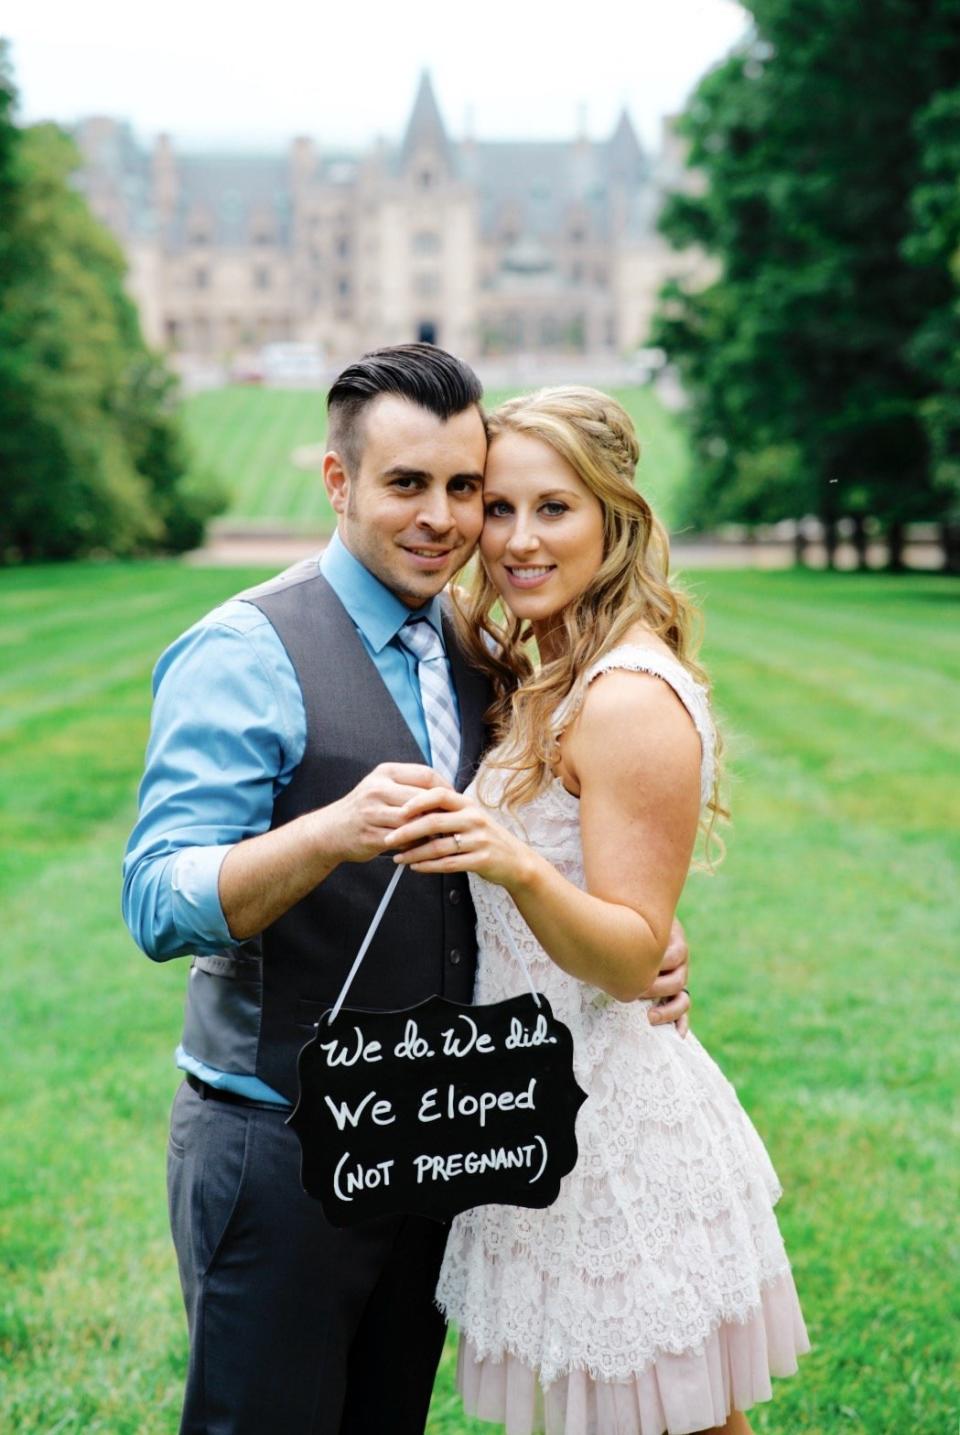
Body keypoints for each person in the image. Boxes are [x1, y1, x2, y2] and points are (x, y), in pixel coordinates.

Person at [121, 345, 691, 1435]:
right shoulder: (246, 649)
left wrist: (646, 935)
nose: (442, 518)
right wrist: (328, 834)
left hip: (433, 1137)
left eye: (462, 488)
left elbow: (566, 833)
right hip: (277, 1140)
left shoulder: (481, 648)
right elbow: (156, 895)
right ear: (340, 484)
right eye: (405, 484)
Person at [386, 386, 810, 1435]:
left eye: (556, 509)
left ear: (614, 518)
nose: (518, 540)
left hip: (609, 1124)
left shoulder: (623, 695)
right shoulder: (550, 669)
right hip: (540, 1099)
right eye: (501, 508)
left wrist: (520, 869)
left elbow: (626, 957)